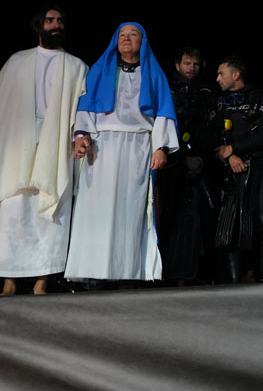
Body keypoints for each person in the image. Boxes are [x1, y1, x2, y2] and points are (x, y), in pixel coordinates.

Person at [0, 6, 88, 295]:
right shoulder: (17, 61)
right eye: (50, 21)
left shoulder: (76, 66)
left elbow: (83, 113)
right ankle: (8, 281)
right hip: (16, 138)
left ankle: (41, 281)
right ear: (39, 26)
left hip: (56, 137)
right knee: (11, 206)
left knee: (48, 206)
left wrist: (79, 137)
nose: (56, 25)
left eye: (60, 20)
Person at [64, 22, 179, 282]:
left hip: (138, 147)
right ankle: (92, 272)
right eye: (122, 35)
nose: (127, 39)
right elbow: (85, 107)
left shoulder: (154, 74)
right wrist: (82, 136)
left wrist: (160, 148)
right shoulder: (100, 70)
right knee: (97, 208)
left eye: (133, 35)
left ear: (143, 41)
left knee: (130, 209)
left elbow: (163, 113)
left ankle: (126, 272)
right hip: (102, 147)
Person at [211, 56, 263, 282]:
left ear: (235, 75)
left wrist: (234, 149)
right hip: (229, 172)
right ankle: (232, 281)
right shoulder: (218, 103)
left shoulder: (260, 99)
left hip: (258, 169)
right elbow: (211, 138)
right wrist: (230, 157)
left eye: (221, 74)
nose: (217, 78)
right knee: (228, 226)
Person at [157, 47, 215, 284]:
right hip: (172, 164)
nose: (192, 68)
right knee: (168, 218)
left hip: (202, 163)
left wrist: (200, 157)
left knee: (206, 216)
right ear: (177, 65)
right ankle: (165, 273)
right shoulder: (166, 90)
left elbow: (210, 127)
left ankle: (202, 273)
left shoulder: (206, 91)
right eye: (187, 63)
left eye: (196, 64)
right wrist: (183, 157)